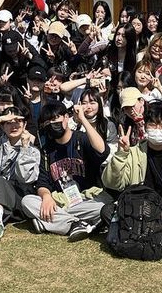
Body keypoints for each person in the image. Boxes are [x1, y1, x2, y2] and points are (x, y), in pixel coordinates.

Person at [101, 103, 162, 257]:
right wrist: (121, 155)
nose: (157, 129)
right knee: (107, 211)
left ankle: (135, 237)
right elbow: (112, 184)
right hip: (137, 210)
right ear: (145, 127)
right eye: (152, 125)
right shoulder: (133, 152)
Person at [19, 100, 111, 240]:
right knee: (27, 201)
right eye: (48, 122)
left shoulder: (81, 139)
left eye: (56, 118)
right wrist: (46, 197)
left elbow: (102, 151)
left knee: (104, 207)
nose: (52, 124)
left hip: (88, 200)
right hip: (62, 201)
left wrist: (83, 120)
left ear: (66, 117)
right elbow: (43, 183)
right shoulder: (47, 151)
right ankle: (76, 224)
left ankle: (50, 222)